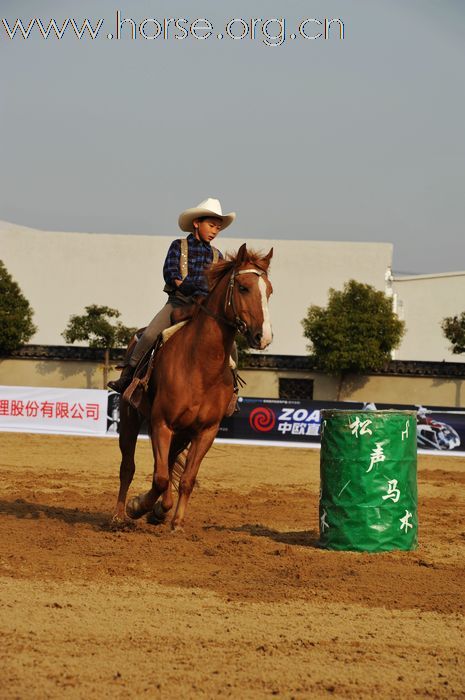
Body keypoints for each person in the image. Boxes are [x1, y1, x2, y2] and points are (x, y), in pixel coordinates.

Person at [108, 197, 236, 394]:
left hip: (205, 310)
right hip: (178, 303)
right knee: (150, 334)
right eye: (211, 225)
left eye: (218, 228)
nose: (214, 231)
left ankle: (231, 389)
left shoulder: (218, 255)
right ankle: (127, 374)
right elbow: (172, 276)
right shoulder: (178, 246)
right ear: (196, 223)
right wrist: (198, 287)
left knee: (231, 345)